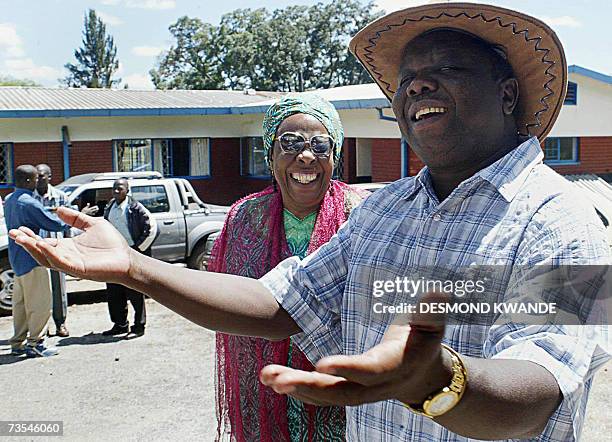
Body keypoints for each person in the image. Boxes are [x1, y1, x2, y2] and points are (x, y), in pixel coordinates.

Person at [10, 4, 611, 440]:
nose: (417, 85)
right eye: (405, 80)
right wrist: (137, 268)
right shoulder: (385, 212)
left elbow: (539, 389)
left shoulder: (562, 219)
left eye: (449, 68)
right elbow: (280, 305)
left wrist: (434, 379)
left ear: (508, 95)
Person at [210, 94, 367, 441]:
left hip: (340, 396)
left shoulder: (363, 216)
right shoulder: (243, 218)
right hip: (262, 390)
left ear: (335, 155)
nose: (306, 155)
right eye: (290, 143)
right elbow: (228, 301)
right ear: (270, 155)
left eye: (319, 145)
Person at [5, 165, 70, 357]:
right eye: (35, 179)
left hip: (16, 260)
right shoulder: (29, 202)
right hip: (33, 259)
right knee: (40, 304)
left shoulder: (9, 200)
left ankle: (17, 343)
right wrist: (75, 218)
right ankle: (36, 343)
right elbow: (51, 223)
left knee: (21, 305)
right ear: (27, 181)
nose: (37, 183)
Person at [33, 164, 100, 338]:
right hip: (37, 248)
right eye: (35, 176)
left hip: (57, 247)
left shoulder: (60, 198)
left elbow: (70, 222)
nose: (37, 179)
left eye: (41, 175)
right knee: (40, 290)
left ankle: (60, 323)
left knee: (58, 288)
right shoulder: (30, 198)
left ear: (49, 177)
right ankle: (43, 326)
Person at [101, 178, 156, 338]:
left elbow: (151, 228)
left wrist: (137, 249)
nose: (116, 191)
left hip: (131, 254)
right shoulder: (110, 207)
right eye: (114, 189)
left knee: (135, 291)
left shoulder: (135, 208)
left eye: (120, 188)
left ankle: (139, 325)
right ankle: (120, 324)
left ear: (127, 190)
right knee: (114, 291)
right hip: (113, 254)